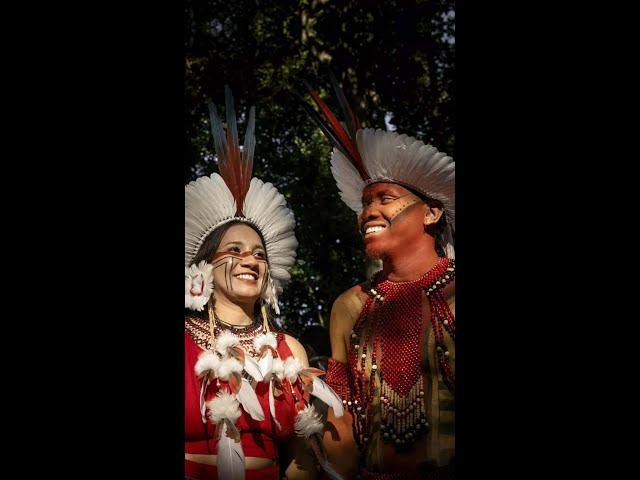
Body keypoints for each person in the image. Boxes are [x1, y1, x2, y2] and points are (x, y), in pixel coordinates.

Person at [185, 87, 344, 480]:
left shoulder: (289, 350)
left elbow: (301, 459)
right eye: (234, 250)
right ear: (203, 267)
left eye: (259, 254)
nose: (250, 261)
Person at [301, 76, 455, 479]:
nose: (369, 211)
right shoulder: (349, 306)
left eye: (386, 199)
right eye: (366, 203)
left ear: (432, 213)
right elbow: (344, 425)